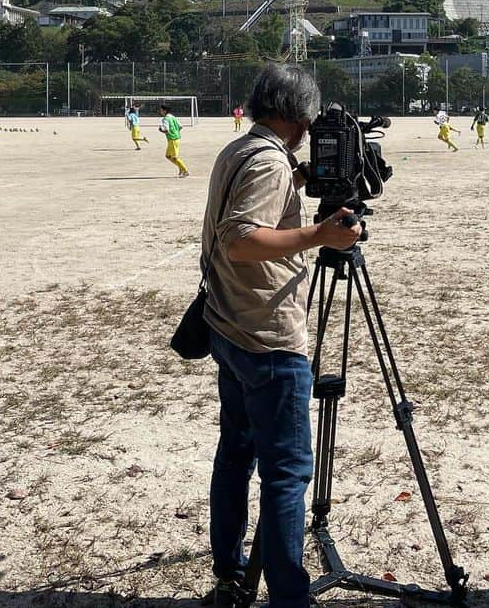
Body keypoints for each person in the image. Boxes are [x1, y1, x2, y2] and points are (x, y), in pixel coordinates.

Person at [201, 63, 361, 608]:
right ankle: (289, 597)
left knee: (237, 450)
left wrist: (302, 180)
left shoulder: (241, 151)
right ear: (296, 114)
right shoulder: (269, 162)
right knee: (288, 471)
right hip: (266, 335)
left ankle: (230, 569)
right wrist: (320, 234)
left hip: (227, 323)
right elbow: (242, 240)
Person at [159, 103, 189, 177]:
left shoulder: (165, 119)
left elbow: (166, 130)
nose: (160, 111)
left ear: (164, 111)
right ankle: (180, 167)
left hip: (172, 139)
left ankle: (185, 171)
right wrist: (176, 132)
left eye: (161, 110)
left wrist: (161, 130)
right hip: (175, 138)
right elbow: (180, 126)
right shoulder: (172, 117)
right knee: (168, 156)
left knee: (174, 157)